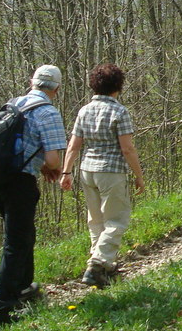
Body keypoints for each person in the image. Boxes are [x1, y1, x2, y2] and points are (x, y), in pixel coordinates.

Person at [0, 65, 66, 327]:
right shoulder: (47, 112)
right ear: (56, 89)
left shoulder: (14, 104)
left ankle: (24, 288)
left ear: (31, 83)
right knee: (16, 242)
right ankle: (1, 310)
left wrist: (39, 162)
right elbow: (55, 161)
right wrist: (48, 165)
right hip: (20, 183)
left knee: (23, 236)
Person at [59, 64, 144, 288]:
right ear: (118, 86)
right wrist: (138, 175)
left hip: (87, 171)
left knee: (96, 221)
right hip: (111, 171)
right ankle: (98, 264)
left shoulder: (84, 110)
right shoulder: (119, 112)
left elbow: (74, 146)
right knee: (117, 220)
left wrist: (66, 171)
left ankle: (104, 265)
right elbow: (127, 148)